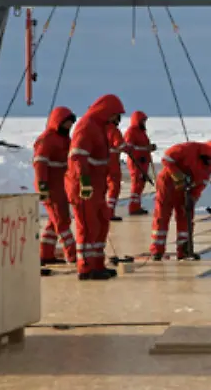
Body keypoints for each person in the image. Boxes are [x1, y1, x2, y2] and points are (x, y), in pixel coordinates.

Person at [66, 94, 126, 281]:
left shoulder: (100, 128)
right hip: (84, 188)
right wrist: (84, 181)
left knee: (101, 224)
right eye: (116, 115)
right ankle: (85, 268)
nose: (117, 120)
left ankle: (97, 265)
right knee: (87, 227)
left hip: (97, 187)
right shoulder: (86, 127)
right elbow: (78, 156)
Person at [149, 141, 211, 260]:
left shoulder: (208, 167)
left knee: (186, 217)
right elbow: (166, 158)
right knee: (162, 215)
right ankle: (157, 250)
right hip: (167, 184)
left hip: (186, 189)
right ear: (207, 154)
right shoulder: (189, 148)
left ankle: (184, 250)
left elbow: (202, 183)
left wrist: (193, 198)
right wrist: (176, 173)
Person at [34, 107, 77, 265]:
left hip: (62, 186)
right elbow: (40, 164)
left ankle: (46, 254)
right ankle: (72, 255)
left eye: (70, 124)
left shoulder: (65, 140)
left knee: (54, 222)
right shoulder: (47, 139)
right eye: (66, 123)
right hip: (51, 187)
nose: (68, 127)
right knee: (62, 221)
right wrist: (42, 186)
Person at [123, 110, 156, 215]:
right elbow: (129, 147)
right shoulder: (131, 132)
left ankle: (137, 206)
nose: (144, 123)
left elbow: (144, 145)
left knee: (141, 184)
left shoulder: (142, 132)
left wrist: (150, 148)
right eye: (142, 121)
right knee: (136, 184)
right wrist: (145, 148)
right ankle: (133, 207)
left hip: (143, 162)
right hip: (136, 162)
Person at [105, 120, 126, 222]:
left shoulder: (98, 129)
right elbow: (120, 145)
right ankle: (109, 212)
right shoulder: (114, 130)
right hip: (112, 163)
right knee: (114, 187)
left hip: (100, 162)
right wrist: (127, 148)